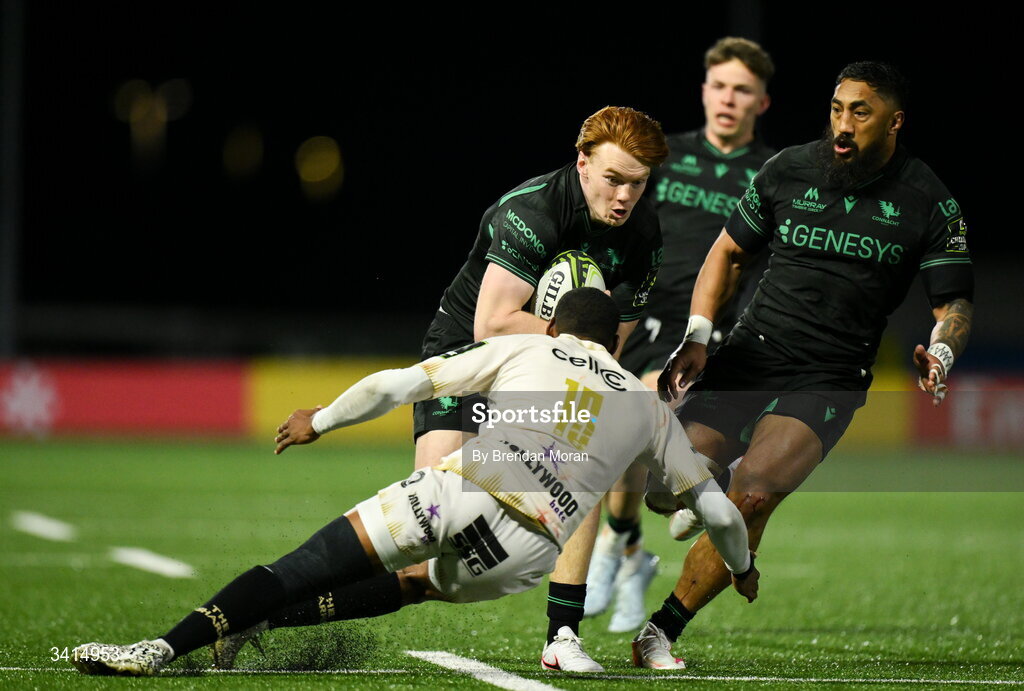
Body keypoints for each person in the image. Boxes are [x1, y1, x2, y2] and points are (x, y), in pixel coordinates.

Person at [68, 288, 759, 677]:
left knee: (303, 564)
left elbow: (401, 383)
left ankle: (159, 649)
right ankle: (261, 624)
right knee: (414, 584)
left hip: (465, 485)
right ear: (613, 344)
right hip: (530, 545)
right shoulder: (645, 405)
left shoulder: (526, 344)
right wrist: (743, 565)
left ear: (554, 326)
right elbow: (721, 513)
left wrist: (325, 418)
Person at [630, 61, 974, 670]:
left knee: (752, 499)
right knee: (661, 487)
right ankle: (702, 495)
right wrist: (700, 336)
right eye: (837, 108)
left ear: (895, 122)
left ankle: (660, 630)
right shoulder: (789, 168)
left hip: (831, 375)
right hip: (753, 352)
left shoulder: (930, 201)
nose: (842, 124)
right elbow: (729, 252)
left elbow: (954, 305)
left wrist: (942, 349)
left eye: (860, 112)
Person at [411, 106, 667, 670]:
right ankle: (281, 602)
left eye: (638, 183)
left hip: (547, 364)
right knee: (427, 528)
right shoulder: (533, 211)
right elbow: (494, 324)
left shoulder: (643, 235)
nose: (626, 196)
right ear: (582, 163)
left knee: (586, 465)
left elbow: (608, 346)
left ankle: (563, 637)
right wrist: (574, 338)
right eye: (614, 179)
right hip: (469, 355)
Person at [585, 37, 776, 633]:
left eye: (742, 89)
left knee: (639, 421)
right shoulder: (668, 159)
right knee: (628, 432)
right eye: (719, 85)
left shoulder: (769, 174)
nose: (728, 98)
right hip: (640, 314)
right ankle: (628, 544)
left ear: (761, 103)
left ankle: (623, 543)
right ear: (703, 91)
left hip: (707, 328)